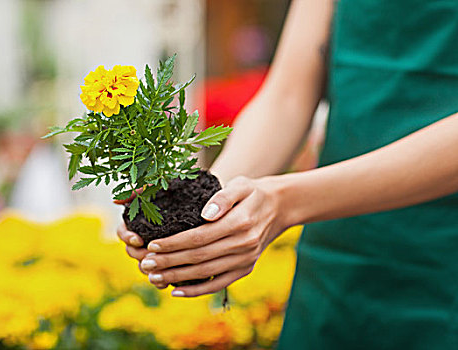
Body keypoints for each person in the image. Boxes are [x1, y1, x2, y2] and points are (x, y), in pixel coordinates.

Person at [117, 0, 458, 348]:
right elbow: (288, 95)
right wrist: (212, 199)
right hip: (338, 264)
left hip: (443, 266)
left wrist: (286, 202)